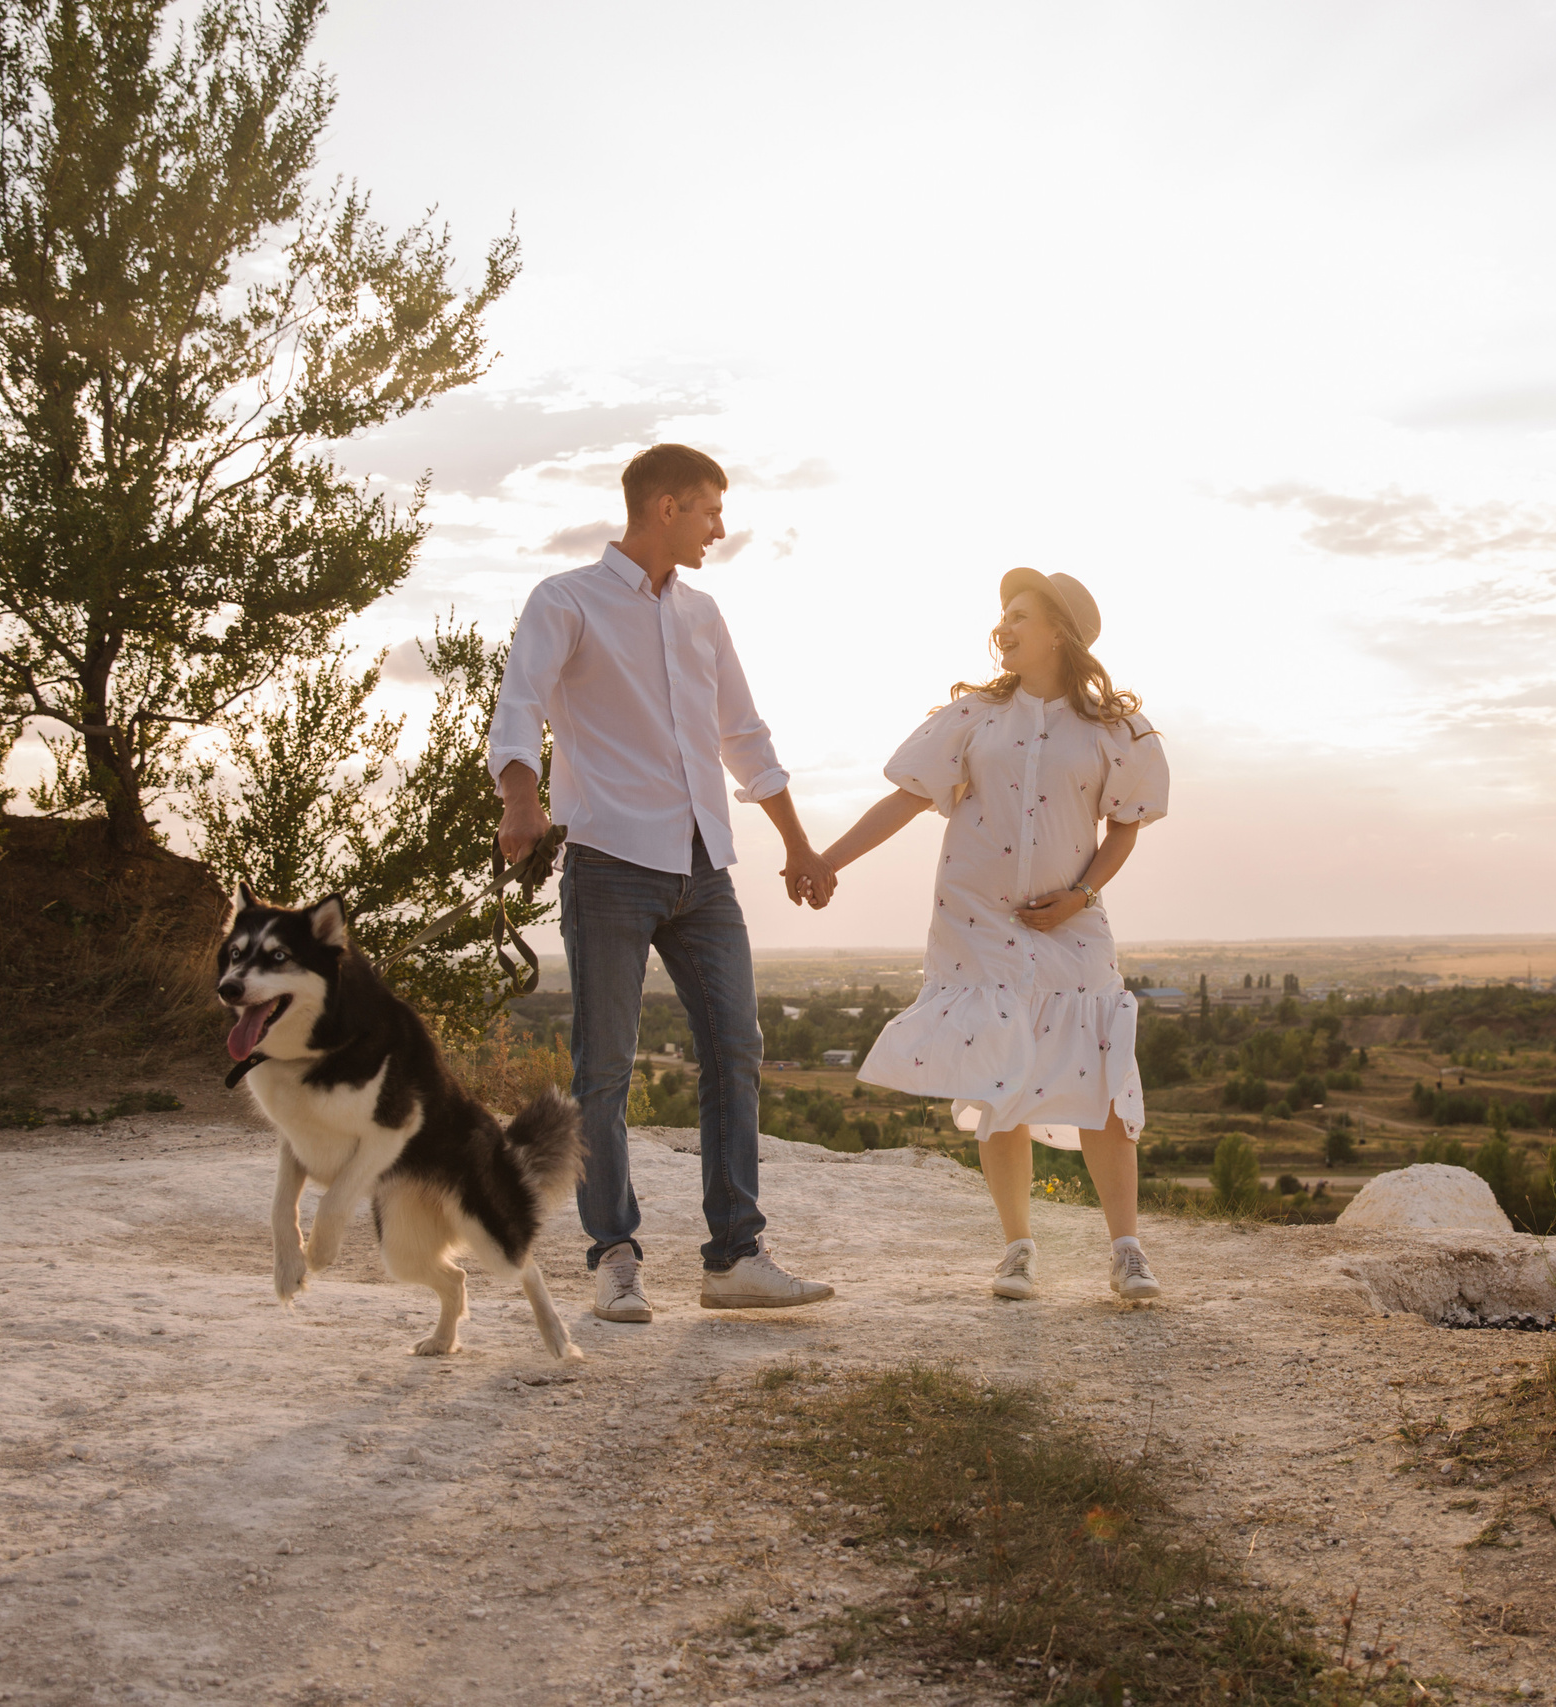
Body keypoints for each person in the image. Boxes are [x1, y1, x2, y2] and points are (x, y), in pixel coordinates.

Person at [488, 443, 836, 1322]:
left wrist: (797, 844)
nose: (720, 527)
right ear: (667, 507)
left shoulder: (703, 614)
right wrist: (521, 800)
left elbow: (744, 736)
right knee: (603, 1070)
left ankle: (735, 1257)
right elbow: (519, 703)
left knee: (736, 1048)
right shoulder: (565, 600)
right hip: (609, 861)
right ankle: (614, 1257)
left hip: (703, 868)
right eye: (711, 510)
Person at [817, 569, 1169, 1301]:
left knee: (1103, 1074)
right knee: (997, 1079)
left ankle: (1127, 1250)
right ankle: (1017, 1249)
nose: (1002, 627)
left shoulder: (1114, 731)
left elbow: (1124, 826)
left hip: (1072, 923)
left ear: (1059, 633)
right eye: (1002, 614)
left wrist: (1080, 896)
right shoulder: (974, 716)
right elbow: (906, 800)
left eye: (1019, 615)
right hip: (976, 922)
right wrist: (827, 861)